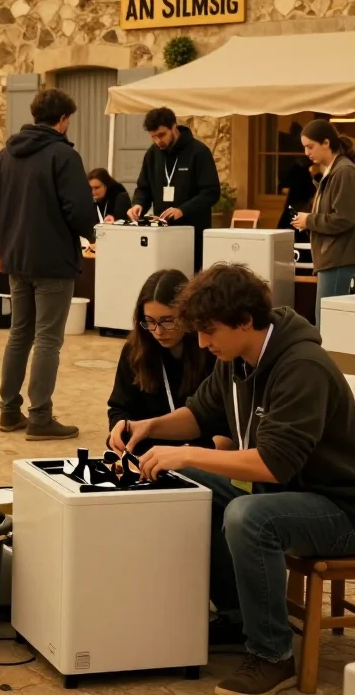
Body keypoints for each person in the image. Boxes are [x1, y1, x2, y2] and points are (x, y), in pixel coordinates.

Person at [111, 264, 355, 695]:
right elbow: (199, 414)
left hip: (341, 509)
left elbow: (273, 465)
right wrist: (148, 426)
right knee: (193, 486)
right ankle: (236, 615)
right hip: (293, 493)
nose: (201, 342)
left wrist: (188, 454)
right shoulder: (237, 357)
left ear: (245, 322)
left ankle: (273, 656)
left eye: (209, 332)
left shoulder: (302, 366)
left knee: (248, 516)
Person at [0, 89, 95, 441]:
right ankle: (41, 417)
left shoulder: (5, 155)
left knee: (20, 334)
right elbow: (79, 210)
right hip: (54, 259)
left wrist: (15, 228)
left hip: (17, 257)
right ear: (62, 120)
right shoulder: (63, 155)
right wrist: (88, 234)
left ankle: (9, 411)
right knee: (48, 338)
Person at [107, 268, 215, 453]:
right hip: (147, 452)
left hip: (198, 452)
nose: (158, 331)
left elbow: (220, 423)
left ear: (187, 314)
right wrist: (121, 429)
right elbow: (119, 407)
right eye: (149, 321)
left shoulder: (212, 350)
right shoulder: (135, 351)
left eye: (167, 321)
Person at [127, 107, 220, 271]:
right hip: (162, 236)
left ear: (174, 127)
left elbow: (211, 193)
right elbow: (144, 187)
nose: (158, 141)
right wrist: (138, 204)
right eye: (153, 137)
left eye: (162, 135)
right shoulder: (152, 154)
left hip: (193, 236)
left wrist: (182, 210)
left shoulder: (198, 152)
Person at [290, 119, 355, 324]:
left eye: (311, 146)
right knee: (326, 323)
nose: (307, 152)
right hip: (332, 257)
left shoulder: (343, 171)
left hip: (337, 258)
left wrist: (309, 221)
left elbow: (344, 219)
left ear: (326, 143)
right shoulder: (334, 170)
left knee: (328, 324)